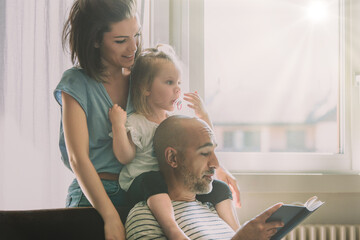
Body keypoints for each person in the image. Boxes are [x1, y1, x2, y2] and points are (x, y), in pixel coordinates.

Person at [108, 44, 240, 240]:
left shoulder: (173, 119)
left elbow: (204, 140)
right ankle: (171, 228)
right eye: (169, 82)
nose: (177, 88)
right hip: (143, 183)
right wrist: (118, 126)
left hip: (174, 183)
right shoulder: (137, 122)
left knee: (219, 188)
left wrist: (203, 114)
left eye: (178, 82)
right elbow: (125, 156)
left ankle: (239, 232)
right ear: (145, 88)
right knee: (153, 179)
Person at [53, 0, 141, 239]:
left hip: (138, 194)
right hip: (92, 197)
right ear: (95, 41)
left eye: (136, 35)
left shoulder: (142, 77)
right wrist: (110, 217)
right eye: (121, 41)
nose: (133, 47)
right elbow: (77, 158)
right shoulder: (76, 83)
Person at [125, 116, 284, 240]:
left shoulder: (213, 210)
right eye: (204, 153)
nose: (215, 163)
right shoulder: (145, 217)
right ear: (173, 158)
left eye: (214, 152)